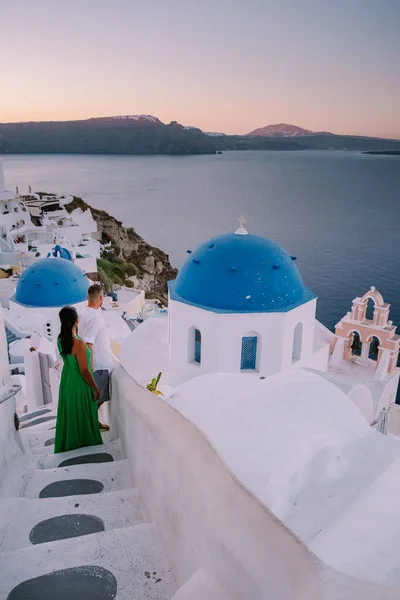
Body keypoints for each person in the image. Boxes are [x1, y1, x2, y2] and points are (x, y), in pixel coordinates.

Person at [54, 306, 103, 454]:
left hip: (67, 381)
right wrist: (95, 387)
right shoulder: (79, 344)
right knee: (82, 411)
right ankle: (84, 444)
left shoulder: (60, 339)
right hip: (79, 383)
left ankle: (71, 444)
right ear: (77, 320)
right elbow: (85, 371)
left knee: (71, 414)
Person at [79, 284, 114, 431]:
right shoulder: (94, 318)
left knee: (96, 398)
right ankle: (90, 424)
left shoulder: (83, 313)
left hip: (95, 365)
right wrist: (90, 367)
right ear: (100, 298)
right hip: (98, 366)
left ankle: (91, 422)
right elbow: (89, 343)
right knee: (99, 397)